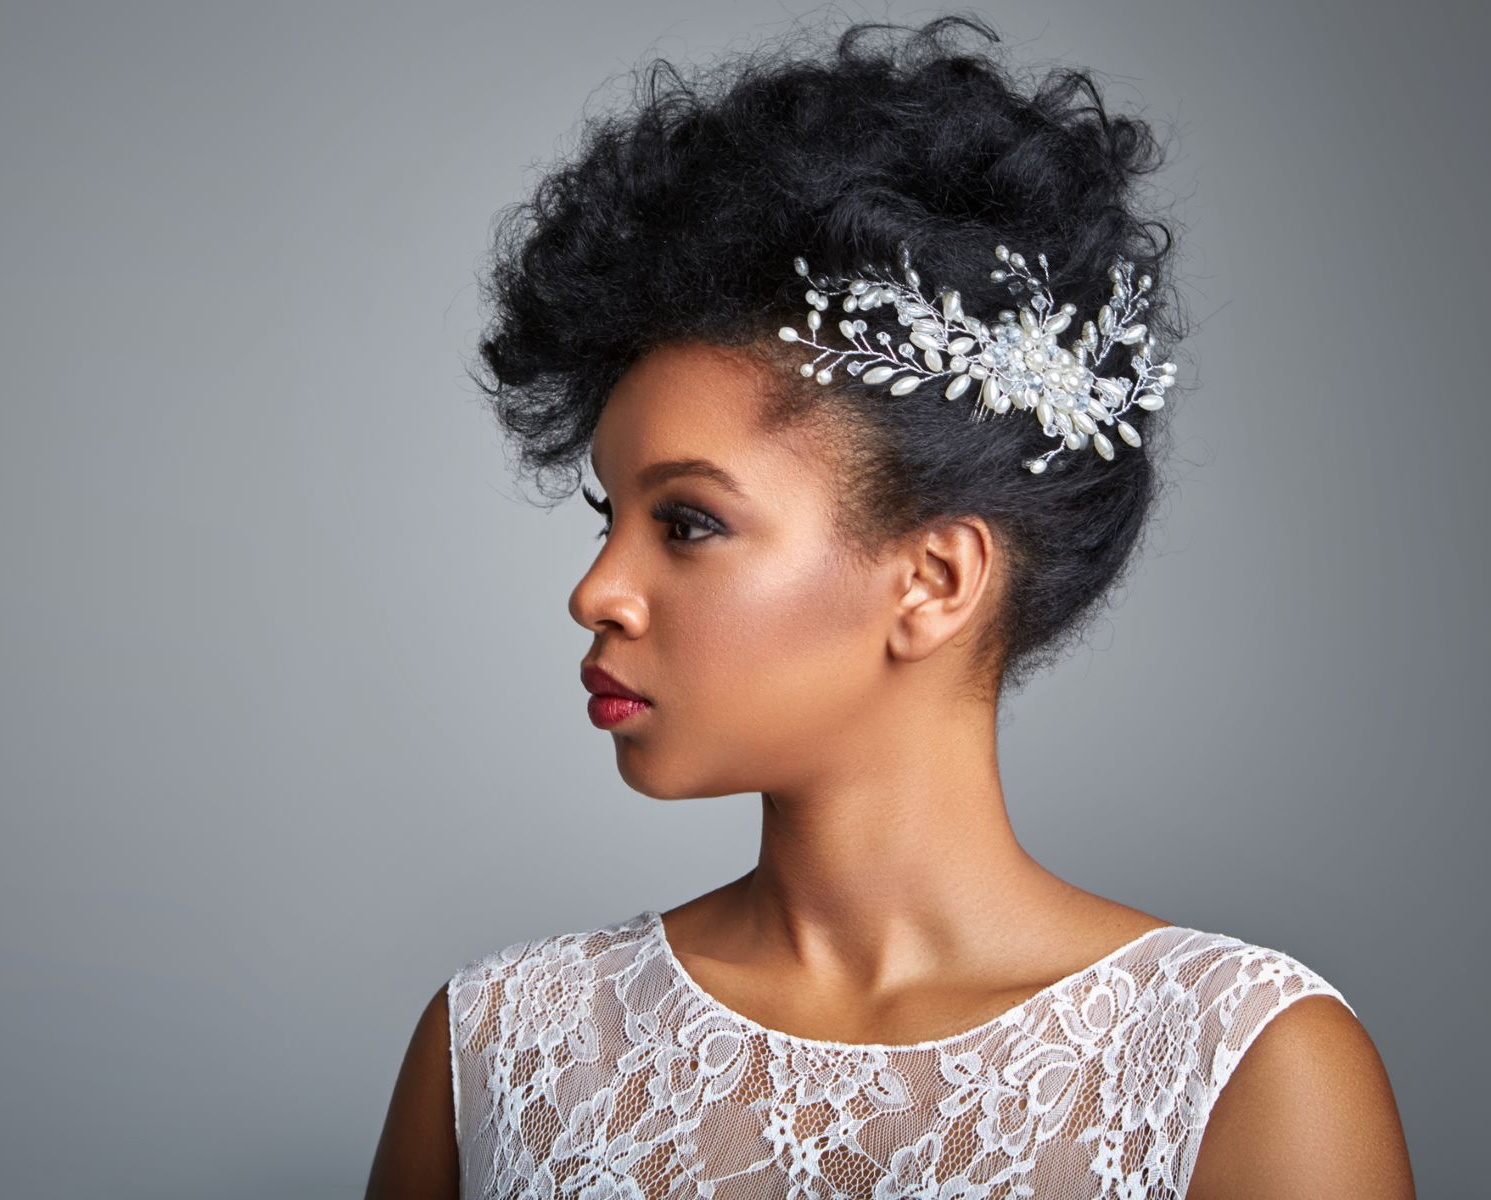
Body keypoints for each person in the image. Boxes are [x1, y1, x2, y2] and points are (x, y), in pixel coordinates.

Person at [366, 14, 1414, 1198]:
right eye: (605, 518)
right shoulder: (500, 1052)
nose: (597, 590)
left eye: (689, 523)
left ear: (935, 581)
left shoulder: (1242, 1069)